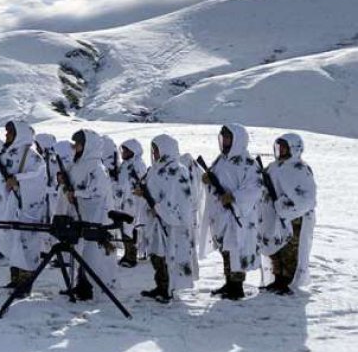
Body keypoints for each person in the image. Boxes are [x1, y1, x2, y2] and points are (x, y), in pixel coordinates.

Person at [200, 124, 263, 301]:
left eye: (228, 137)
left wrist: (234, 197)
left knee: (237, 248)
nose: (225, 141)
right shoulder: (221, 159)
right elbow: (215, 177)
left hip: (240, 215)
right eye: (224, 137)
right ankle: (229, 282)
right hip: (222, 215)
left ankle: (237, 287)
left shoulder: (247, 163)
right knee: (227, 249)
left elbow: (255, 189)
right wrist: (207, 179)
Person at [0, 121, 46, 294]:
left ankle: (25, 284)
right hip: (9, 208)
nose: (6, 136)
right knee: (13, 243)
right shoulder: (8, 154)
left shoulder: (32, 156)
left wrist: (18, 180)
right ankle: (15, 280)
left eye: (10, 133)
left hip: (26, 210)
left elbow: (37, 178)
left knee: (26, 245)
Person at [136, 135, 195, 303]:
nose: (154, 154)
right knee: (156, 254)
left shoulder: (178, 170)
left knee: (169, 255)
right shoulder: (155, 169)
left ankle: (168, 288)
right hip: (156, 220)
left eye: (156, 150)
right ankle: (160, 285)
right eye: (153, 150)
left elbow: (179, 198)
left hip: (171, 224)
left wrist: (161, 209)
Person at [259, 133, 317, 295]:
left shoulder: (301, 169)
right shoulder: (273, 167)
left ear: (295, 148)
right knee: (276, 246)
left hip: (296, 219)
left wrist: (285, 208)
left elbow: (307, 199)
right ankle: (277, 278)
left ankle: (287, 282)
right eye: (280, 147)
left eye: (285, 147)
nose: (282, 150)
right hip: (274, 216)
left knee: (291, 250)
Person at [64, 129, 115, 301]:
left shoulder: (97, 167)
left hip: (95, 216)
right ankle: (80, 285)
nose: (75, 147)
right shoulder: (78, 164)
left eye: (78, 144)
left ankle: (92, 287)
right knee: (80, 251)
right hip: (81, 215)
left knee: (91, 254)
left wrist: (76, 194)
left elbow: (96, 191)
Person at [114, 139, 147, 268]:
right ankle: (127, 253)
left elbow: (142, 183)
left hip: (134, 202)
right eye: (123, 150)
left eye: (126, 150)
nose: (123, 152)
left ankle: (132, 256)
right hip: (124, 202)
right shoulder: (125, 165)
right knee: (124, 228)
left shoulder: (138, 164)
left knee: (131, 228)